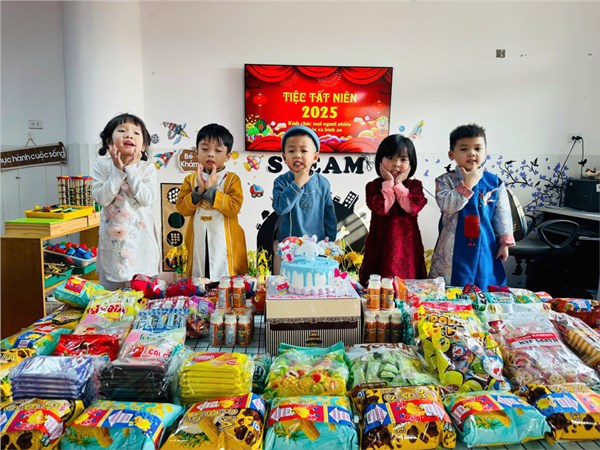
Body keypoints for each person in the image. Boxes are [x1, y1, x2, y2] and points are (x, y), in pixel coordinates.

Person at [429, 123, 515, 289]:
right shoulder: (445, 180)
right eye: (464, 149)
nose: (471, 153)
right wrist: (468, 184)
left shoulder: (494, 182)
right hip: (452, 245)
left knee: (483, 279)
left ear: (485, 153)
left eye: (477, 148)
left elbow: (502, 214)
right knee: (450, 285)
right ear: (451, 154)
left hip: (484, 242)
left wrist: (504, 243)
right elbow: (447, 206)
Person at [92, 113, 160, 290]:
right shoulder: (102, 165)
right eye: (122, 131)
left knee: (142, 293)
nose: (129, 135)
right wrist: (117, 171)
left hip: (141, 241)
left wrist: (131, 169)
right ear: (109, 141)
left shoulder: (147, 168)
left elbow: (146, 199)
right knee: (110, 295)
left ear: (143, 146)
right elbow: (102, 198)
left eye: (136, 133)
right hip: (112, 242)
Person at [176, 123, 247, 280]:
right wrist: (199, 191)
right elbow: (182, 208)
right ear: (197, 152)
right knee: (199, 278)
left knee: (225, 280)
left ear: (228, 156)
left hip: (224, 242)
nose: (210, 154)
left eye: (218, 150)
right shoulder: (190, 179)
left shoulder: (232, 179)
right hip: (198, 239)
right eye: (205, 149)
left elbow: (233, 208)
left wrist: (211, 191)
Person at [359, 135, 427, 286]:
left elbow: (411, 208)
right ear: (380, 160)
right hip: (380, 246)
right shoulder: (373, 186)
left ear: (411, 163)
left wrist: (398, 185)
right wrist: (389, 183)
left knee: (406, 287)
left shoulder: (415, 186)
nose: (396, 164)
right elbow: (382, 209)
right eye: (390, 158)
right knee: (377, 288)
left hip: (407, 247)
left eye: (403, 159)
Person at [272, 125, 337, 273]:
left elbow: (329, 217)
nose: (297, 155)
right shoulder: (281, 181)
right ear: (284, 157)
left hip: (315, 250)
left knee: (313, 284)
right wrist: (297, 184)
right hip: (287, 249)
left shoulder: (323, 183)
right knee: (285, 283)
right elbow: (280, 208)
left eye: (304, 150)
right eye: (291, 151)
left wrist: (330, 243)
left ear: (315, 156)